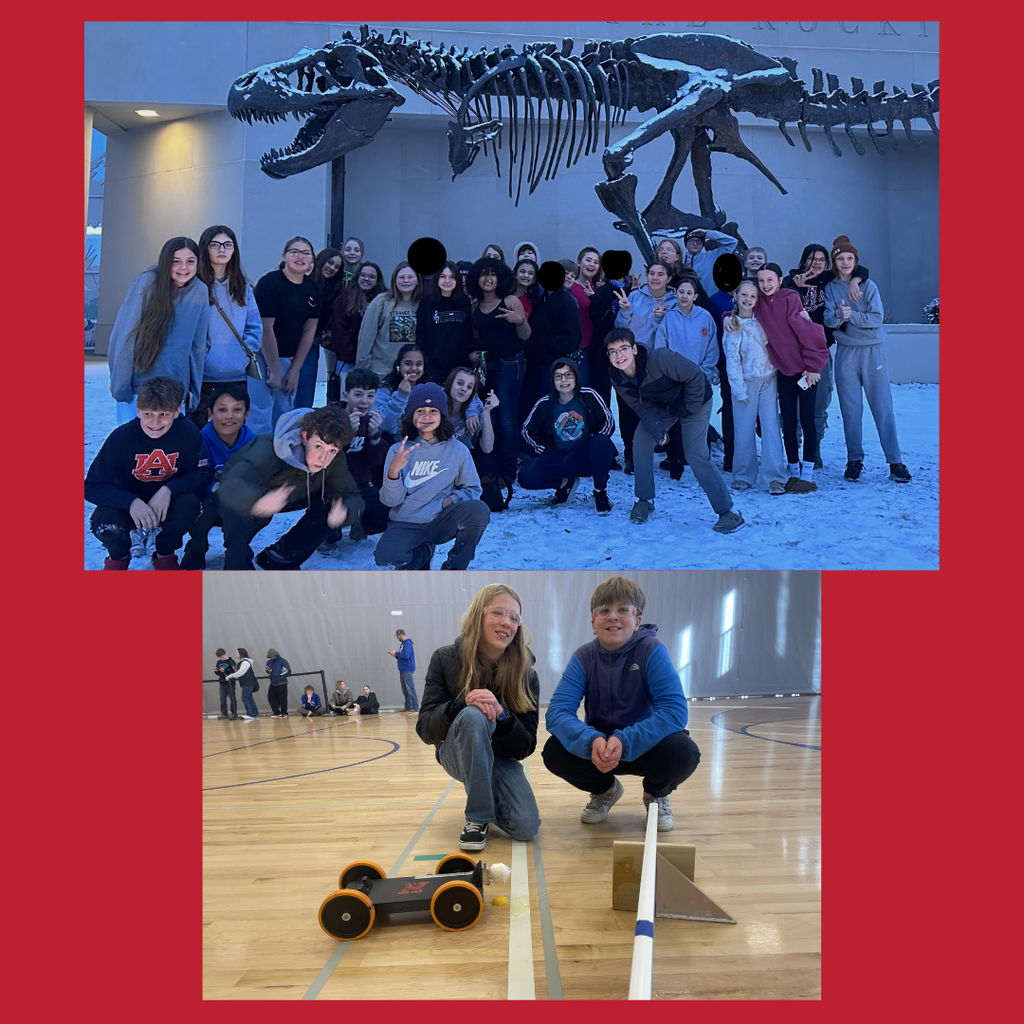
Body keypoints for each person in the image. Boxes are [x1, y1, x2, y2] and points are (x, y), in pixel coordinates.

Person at [542, 576, 701, 833]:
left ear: (637, 621)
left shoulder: (652, 650)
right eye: (604, 610)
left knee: (683, 751)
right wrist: (590, 739)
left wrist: (625, 741)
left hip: (646, 744)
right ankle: (604, 790)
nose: (613, 616)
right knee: (554, 752)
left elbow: (674, 711)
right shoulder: (583, 657)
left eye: (623, 609)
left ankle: (656, 794)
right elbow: (557, 712)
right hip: (601, 749)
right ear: (594, 623)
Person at [416, 583, 541, 851]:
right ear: (479, 615)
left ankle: (483, 792)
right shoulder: (444, 658)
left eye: (514, 617)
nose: (506, 622)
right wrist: (461, 704)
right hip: (455, 751)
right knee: (474, 715)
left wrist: (503, 717)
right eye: (498, 612)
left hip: (498, 756)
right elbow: (426, 729)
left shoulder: (527, 673)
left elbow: (526, 746)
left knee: (525, 825)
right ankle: (477, 818)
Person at [605, 328, 743, 531]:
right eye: (613, 352)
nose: (619, 356)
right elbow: (641, 406)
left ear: (634, 349)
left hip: (695, 401)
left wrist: (689, 409)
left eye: (623, 348)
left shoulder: (660, 358)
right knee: (641, 442)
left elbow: (696, 377)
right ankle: (645, 500)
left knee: (695, 454)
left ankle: (727, 513)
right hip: (664, 406)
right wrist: (657, 429)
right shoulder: (617, 378)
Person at [216, 405, 363, 570]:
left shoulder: (334, 458)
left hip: (293, 493)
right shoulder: (268, 448)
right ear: (305, 437)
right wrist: (257, 502)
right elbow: (231, 483)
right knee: (242, 512)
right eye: (318, 446)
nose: (323, 458)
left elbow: (351, 494)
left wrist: (344, 511)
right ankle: (236, 560)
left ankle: (281, 558)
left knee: (332, 504)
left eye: (332, 450)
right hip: (242, 493)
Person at [86, 376, 206, 569]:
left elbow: (200, 473)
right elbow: (92, 486)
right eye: (148, 414)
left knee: (190, 505)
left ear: (177, 411)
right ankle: (118, 557)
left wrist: (169, 490)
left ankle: (164, 553)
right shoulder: (121, 438)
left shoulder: (187, 433)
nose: (155, 422)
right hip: (129, 503)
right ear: (138, 410)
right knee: (104, 521)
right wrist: (130, 502)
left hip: (167, 505)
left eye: (164, 414)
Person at [823, 235, 912, 484]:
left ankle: (895, 461)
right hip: (846, 353)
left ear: (856, 260)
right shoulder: (831, 288)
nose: (845, 262)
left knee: (882, 407)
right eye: (840, 258)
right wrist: (838, 316)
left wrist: (851, 317)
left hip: (873, 351)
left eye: (850, 258)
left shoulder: (868, 286)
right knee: (850, 409)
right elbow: (829, 320)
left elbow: (876, 319)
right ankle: (854, 460)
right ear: (835, 261)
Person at [373, 383, 491, 570]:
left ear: (442, 415)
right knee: (385, 559)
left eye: (433, 411)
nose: (426, 416)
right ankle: (423, 552)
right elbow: (390, 501)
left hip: (441, 520)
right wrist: (393, 473)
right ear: (411, 416)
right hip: (406, 521)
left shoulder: (457, 449)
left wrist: (450, 501)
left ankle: (454, 567)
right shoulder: (398, 450)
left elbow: (473, 488)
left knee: (478, 510)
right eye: (420, 410)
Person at [783, 245, 870, 469]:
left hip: (819, 353)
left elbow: (860, 270)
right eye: (812, 259)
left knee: (819, 403)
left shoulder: (828, 280)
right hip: (793, 353)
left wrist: (854, 282)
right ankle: (796, 448)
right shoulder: (790, 281)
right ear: (803, 261)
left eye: (821, 259)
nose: (817, 263)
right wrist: (798, 289)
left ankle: (815, 449)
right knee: (793, 406)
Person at [107, 236, 210, 423]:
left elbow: (198, 346)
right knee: (135, 446)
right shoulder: (147, 283)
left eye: (190, 262)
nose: (184, 268)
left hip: (175, 387)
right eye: (176, 262)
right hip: (139, 387)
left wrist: (192, 392)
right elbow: (125, 335)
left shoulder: (200, 291)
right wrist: (120, 386)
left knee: (168, 448)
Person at [752, 263, 829, 490]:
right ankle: (793, 469)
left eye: (770, 280)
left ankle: (807, 472)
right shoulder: (759, 303)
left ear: (779, 279)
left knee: (807, 420)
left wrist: (813, 367)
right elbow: (742, 311)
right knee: (788, 421)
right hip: (784, 373)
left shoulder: (790, 298)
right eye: (761, 280)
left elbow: (808, 334)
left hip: (806, 371)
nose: (765, 285)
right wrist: (728, 317)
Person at [467, 257, 532, 504]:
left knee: (506, 418)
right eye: (483, 274)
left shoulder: (510, 301)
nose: (488, 279)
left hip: (510, 363)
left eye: (492, 274)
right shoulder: (474, 307)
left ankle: (507, 471)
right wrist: (473, 353)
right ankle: (490, 469)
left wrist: (520, 320)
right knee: (489, 417)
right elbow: (476, 339)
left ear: (500, 277)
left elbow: (526, 335)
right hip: (486, 367)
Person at [519, 357, 616, 514]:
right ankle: (564, 482)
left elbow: (608, 423)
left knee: (602, 442)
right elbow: (527, 431)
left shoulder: (589, 395)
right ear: (552, 380)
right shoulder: (545, 403)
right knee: (526, 476)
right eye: (558, 376)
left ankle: (600, 491)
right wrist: (544, 449)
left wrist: (595, 443)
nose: (563, 380)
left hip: (585, 453)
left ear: (576, 377)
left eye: (568, 375)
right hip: (560, 455)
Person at [192, 225, 263, 428]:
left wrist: (242, 353)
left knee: (232, 431)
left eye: (227, 245)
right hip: (203, 375)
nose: (222, 250)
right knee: (202, 432)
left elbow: (254, 326)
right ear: (205, 248)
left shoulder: (242, 286)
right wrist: (204, 355)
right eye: (215, 245)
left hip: (236, 373)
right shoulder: (194, 285)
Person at [721, 281, 789, 495]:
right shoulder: (732, 324)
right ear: (736, 296)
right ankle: (743, 475)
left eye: (752, 296)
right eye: (744, 295)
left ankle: (775, 476)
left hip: (768, 379)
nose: (748, 299)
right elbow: (731, 360)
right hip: (746, 382)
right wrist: (739, 390)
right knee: (743, 429)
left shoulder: (764, 320)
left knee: (771, 429)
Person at [180, 383, 257, 569]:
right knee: (192, 509)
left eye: (237, 410)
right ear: (210, 414)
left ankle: (239, 549)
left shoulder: (254, 443)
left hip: (239, 502)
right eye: (222, 410)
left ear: (246, 414)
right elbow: (192, 477)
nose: (229, 416)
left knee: (258, 509)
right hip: (209, 501)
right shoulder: (198, 440)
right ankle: (197, 547)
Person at [252, 236, 322, 431]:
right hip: (262, 356)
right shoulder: (270, 283)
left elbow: (309, 330)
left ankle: (281, 456)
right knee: (261, 412)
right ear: (284, 256)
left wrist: (294, 370)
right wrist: (274, 370)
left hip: (289, 357)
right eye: (295, 252)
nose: (300, 257)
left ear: (311, 261)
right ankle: (257, 456)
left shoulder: (314, 289)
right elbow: (266, 328)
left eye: (306, 253)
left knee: (284, 411)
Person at [613, 261, 677, 475]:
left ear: (669, 278)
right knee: (630, 410)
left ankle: (671, 454)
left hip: (659, 364)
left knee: (660, 408)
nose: (655, 278)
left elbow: (672, 332)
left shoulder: (675, 300)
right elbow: (620, 329)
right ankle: (631, 455)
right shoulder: (633, 296)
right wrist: (626, 312)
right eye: (652, 273)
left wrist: (659, 319)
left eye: (661, 274)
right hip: (631, 363)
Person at [320, 368, 390, 549]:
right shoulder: (329, 417)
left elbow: (377, 462)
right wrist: (346, 435)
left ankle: (359, 523)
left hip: (359, 482)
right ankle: (325, 534)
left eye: (370, 395)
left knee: (386, 510)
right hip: (328, 485)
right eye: (358, 394)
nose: (364, 401)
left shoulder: (369, 421)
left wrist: (375, 438)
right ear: (346, 394)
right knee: (328, 518)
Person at [327, 261, 385, 400]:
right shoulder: (344, 299)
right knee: (348, 400)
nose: (366, 279)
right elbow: (339, 331)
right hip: (349, 361)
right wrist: (355, 355)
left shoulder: (384, 300)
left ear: (377, 281)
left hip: (375, 362)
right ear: (357, 277)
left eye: (371, 277)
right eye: (363, 275)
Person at [294, 247, 344, 408]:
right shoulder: (302, 280)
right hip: (290, 337)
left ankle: (302, 416)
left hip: (312, 339)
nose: (332, 268)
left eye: (337, 267)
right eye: (330, 263)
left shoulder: (333, 290)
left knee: (306, 381)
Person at [356, 262, 422, 377]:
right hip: (380, 373)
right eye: (401, 277)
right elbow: (366, 338)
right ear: (394, 280)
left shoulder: (422, 304)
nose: (406, 281)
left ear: (417, 281)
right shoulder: (381, 302)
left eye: (410, 277)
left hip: (409, 375)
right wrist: (362, 370)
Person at [416, 261, 474, 384]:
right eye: (443, 277)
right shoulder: (427, 302)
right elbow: (421, 334)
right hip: (433, 367)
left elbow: (468, 333)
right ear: (437, 279)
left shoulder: (464, 302)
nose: (447, 281)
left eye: (452, 277)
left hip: (459, 367)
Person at [372, 344, 428, 439]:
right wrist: (400, 396)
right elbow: (386, 426)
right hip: (392, 443)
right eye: (408, 364)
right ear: (398, 366)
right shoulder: (385, 389)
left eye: (419, 364)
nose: (414, 368)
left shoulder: (429, 389)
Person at [678, 227, 739, 297]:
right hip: (684, 302)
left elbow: (732, 242)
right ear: (686, 243)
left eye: (698, 241)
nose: (695, 244)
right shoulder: (678, 260)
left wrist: (707, 233)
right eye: (691, 241)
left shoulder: (714, 256)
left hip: (710, 303)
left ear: (703, 244)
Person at [443, 367, 490, 452]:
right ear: (450, 383)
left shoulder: (476, 407)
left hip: (460, 459)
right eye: (460, 383)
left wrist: (486, 412)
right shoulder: (436, 399)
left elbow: (487, 448)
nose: (464, 389)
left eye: (469, 387)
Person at [389, 629, 419, 712]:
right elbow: (402, 656)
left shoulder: (408, 644)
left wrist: (397, 653)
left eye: (398, 636)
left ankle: (415, 707)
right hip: (402, 669)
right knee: (405, 690)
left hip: (407, 669)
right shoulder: (403, 644)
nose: (397, 638)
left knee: (410, 688)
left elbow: (406, 655)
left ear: (401, 634)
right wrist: (395, 655)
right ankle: (408, 706)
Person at [226, 648, 259, 721]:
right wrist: (235, 670)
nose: (236, 654)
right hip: (246, 683)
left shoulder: (245, 662)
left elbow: (241, 673)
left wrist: (230, 675)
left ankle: (250, 713)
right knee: (249, 698)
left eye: (237, 653)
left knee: (245, 698)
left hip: (248, 683)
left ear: (241, 653)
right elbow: (240, 671)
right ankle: (255, 713)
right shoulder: (243, 662)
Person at [265, 648, 292, 718]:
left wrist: (280, 676)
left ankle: (284, 712)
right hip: (273, 683)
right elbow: (266, 669)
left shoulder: (283, 661)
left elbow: (288, 671)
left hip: (282, 683)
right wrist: (268, 671)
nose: (272, 657)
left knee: (282, 698)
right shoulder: (269, 662)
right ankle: (276, 712)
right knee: (271, 697)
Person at [214, 648, 238, 720]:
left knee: (232, 698)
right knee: (222, 699)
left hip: (230, 683)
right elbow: (218, 673)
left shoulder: (231, 661)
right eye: (219, 657)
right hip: (222, 683)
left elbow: (235, 671)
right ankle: (224, 713)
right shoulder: (219, 662)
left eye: (222, 656)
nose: (221, 658)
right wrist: (216, 671)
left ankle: (234, 712)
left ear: (225, 654)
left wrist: (225, 670)